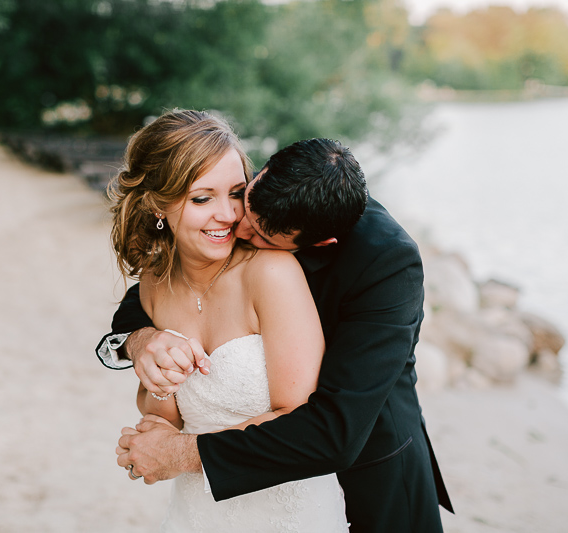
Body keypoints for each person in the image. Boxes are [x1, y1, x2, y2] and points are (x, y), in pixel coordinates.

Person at [99, 133, 454, 532]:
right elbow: (160, 294)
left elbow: (334, 432)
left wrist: (180, 453)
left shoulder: (386, 263)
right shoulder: (254, 201)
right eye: (243, 198)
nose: (238, 224)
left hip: (363, 456)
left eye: (263, 238)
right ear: (263, 173)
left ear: (319, 243)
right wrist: (140, 340)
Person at [106, 109, 350, 531]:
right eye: (203, 198)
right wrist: (149, 421)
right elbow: (167, 413)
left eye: (237, 192)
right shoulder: (154, 283)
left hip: (286, 510)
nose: (228, 214)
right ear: (158, 206)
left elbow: (298, 415)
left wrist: (178, 450)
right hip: (196, 513)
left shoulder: (271, 273)